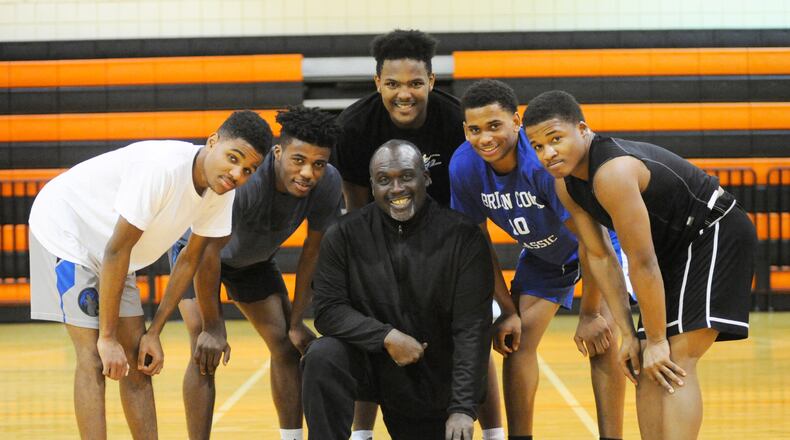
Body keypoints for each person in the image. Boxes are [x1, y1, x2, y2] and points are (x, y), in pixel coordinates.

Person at [522, 90, 756, 440]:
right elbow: (601, 256)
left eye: (556, 139)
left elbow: (642, 263)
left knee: (673, 358)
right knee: (644, 359)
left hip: (715, 229)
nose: (548, 153)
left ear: (583, 129)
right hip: (673, 249)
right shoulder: (566, 185)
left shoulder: (613, 173)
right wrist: (629, 334)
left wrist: (658, 338)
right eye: (538, 146)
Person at [28, 110, 270, 439]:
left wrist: (154, 332)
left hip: (116, 252)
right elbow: (117, 250)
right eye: (233, 158)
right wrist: (107, 337)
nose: (236, 173)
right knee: (95, 358)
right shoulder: (164, 169)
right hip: (68, 230)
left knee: (137, 360)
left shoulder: (221, 193)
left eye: (248, 170)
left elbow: (189, 259)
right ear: (213, 142)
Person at [335, 29, 503, 439]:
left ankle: (495, 432)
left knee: (472, 331)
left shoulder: (454, 121)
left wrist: (501, 299)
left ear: (431, 81)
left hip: (448, 243)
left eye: (414, 83)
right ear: (378, 84)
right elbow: (358, 211)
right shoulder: (354, 127)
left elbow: (471, 214)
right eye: (392, 84)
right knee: (373, 333)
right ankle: (362, 434)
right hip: (380, 244)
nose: (403, 94)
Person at [450, 79, 628, 440]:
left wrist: (591, 313)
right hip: (545, 255)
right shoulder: (464, 167)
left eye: (495, 126)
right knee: (515, 342)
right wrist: (506, 308)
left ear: (516, 122)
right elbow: (477, 243)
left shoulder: (541, 165)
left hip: (599, 248)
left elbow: (592, 245)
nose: (485, 138)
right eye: (475, 129)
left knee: (602, 339)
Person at [169, 106, 343, 440]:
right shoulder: (249, 184)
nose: (308, 172)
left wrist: (296, 321)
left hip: (253, 261)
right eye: (298, 160)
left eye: (318, 164)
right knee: (203, 346)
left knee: (285, 346)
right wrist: (213, 326)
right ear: (278, 153)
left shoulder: (328, 184)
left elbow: (313, 252)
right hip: (198, 251)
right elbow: (208, 253)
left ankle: (291, 437)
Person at [302, 140, 493, 440]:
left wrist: (462, 408)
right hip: (372, 365)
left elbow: (473, 328)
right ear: (372, 185)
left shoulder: (463, 237)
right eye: (383, 180)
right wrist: (386, 337)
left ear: (425, 178)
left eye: (406, 176)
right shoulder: (344, 235)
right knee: (323, 355)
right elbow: (327, 311)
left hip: (429, 375)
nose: (396, 189)